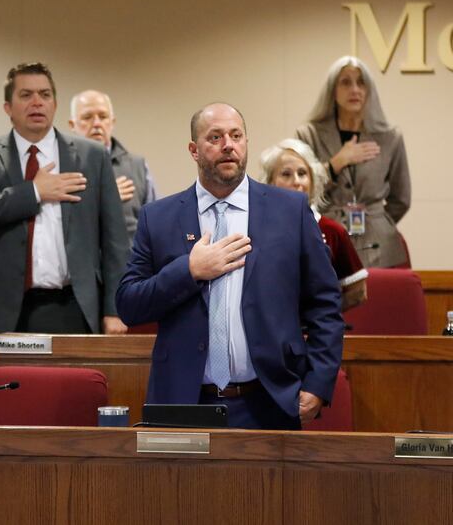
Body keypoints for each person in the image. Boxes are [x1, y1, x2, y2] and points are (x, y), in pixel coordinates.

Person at [116, 103, 343, 430]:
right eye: (215, 137)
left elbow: (325, 305)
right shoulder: (159, 217)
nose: (228, 145)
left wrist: (318, 382)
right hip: (185, 402)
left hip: (270, 401)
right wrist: (189, 271)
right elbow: (129, 305)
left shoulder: (289, 211)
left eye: (236, 136)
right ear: (194, 150)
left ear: (246, 143)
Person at [0, 63, 129, 335]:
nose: (37, 102)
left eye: (45, 95)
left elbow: (115, 240)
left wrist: (115, 310)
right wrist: (33, 192)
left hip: (74, 304)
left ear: (55, 104)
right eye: (26, 95)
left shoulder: (93, 156)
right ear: (7, 107)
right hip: (1, 307)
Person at [296, 56, 411, 268]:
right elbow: (299, 192)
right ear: (332, 89)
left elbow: (401, 199)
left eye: (361, 82)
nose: (355, 89)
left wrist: (376, 220)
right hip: (325, 243)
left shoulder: (390, 137)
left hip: (381, 248)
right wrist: (335, 164)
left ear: (369, 90)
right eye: (346, 82)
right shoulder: (308, 135)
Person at [260, 138, 368, 311]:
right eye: (286, 174)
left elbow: (358, 291)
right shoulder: (256, 229)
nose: (297, 181)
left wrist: (322, 314)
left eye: (302, 173)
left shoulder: (332, 231)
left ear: (312, 181)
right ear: (270, 182)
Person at [68, 90, 157, 245]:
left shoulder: (138, 167)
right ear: (72, 125)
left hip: (131, 258)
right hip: (83, 257)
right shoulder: (62, 168)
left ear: (112, 122)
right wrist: (105, 197)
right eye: (87, 117)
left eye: (103, 117)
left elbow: (156, 223)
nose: (97, 123)